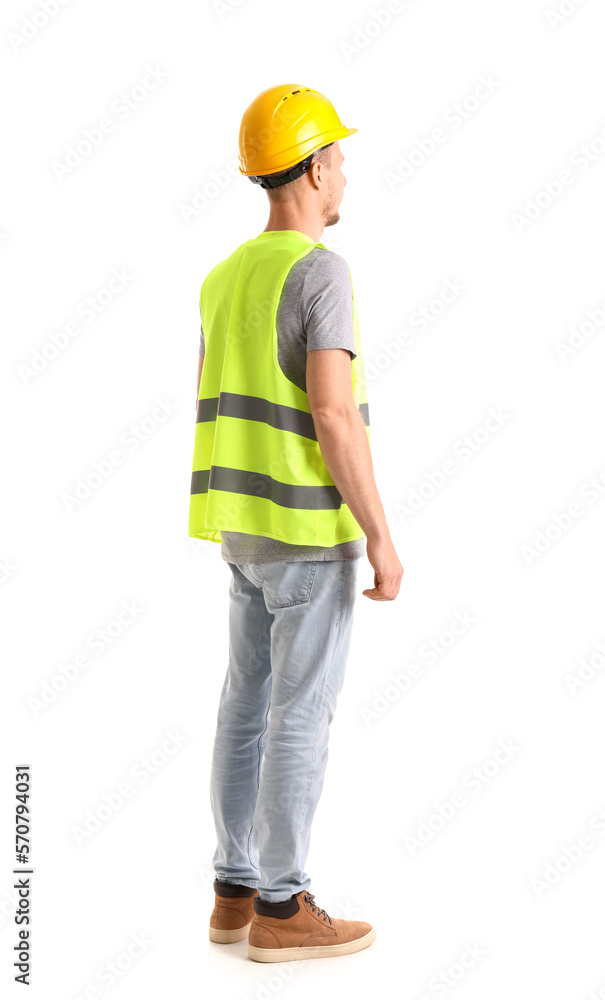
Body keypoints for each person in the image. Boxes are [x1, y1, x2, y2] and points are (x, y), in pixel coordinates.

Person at [188, 83, 403, 963]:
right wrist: (381, 537)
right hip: (308, 534)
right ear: (313, 167)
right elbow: (333, 414)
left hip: (240, 528)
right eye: (339, 156)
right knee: (299, 715)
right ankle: (283, 906)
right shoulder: (321, 273)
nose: (345, 168)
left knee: (245, 706)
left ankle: (233, 892)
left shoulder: (223, 274)